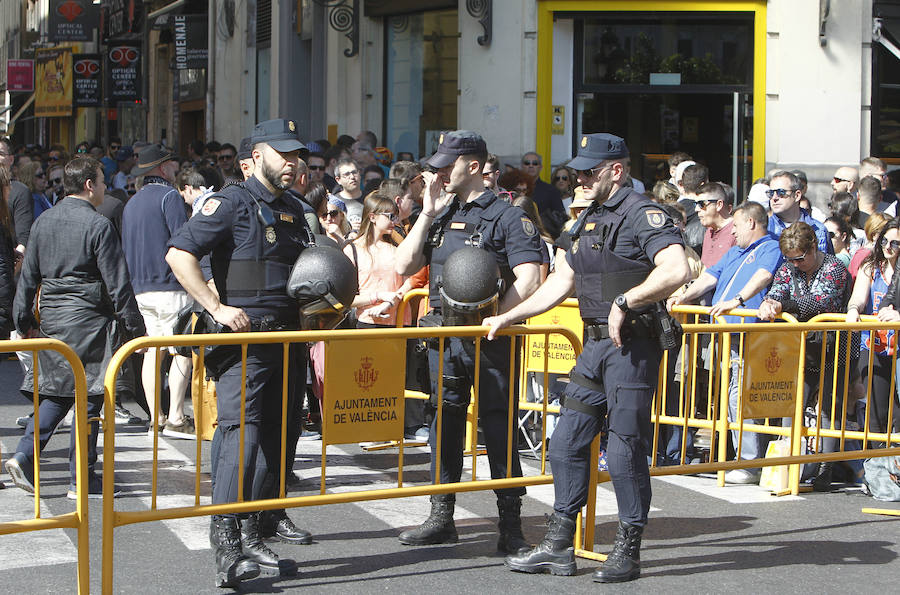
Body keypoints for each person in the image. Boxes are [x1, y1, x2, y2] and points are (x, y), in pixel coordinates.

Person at [485, 133, 690, 583]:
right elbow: (562, 281)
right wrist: (509, 316)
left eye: (588, 170)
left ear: (616, 170)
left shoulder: (641, 212)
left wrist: (627, 301)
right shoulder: (587, 219)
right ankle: (559, 544)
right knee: (565, 443)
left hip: (632, 346)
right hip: (595, 346)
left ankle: (628, 548)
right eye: (577, 170)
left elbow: (678, 268)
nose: (579, 177)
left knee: (624, 449)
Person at [166, 119, 314, 588]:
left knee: (277, 437)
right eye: (284, 154)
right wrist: (216, 306)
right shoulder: (230, 202)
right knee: (240, 439)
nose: (294, 163)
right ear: (257, 156)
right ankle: (226, 542)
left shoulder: (295, 209)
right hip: (245, 344)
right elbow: (179, 254)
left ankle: (253, 532)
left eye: (297, 155)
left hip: (289, 341)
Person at [394, 130, 543, 555]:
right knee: (443, 422)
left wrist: (497, 318)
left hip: (490, 340)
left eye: (447, 164)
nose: (438, 172)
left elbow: (531, 278)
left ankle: (510, 525)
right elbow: (404, 265)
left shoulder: (509, 217)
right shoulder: (439, 213)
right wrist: (425, 214)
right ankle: (442, 516)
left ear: (473, 167)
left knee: (498, 426)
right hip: (444, 337)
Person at [4, 157, 146, 499]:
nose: (102, 187)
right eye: (100, 181)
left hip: (53, 318)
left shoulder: (43, 222)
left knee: (56, 392)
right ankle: (81, 478)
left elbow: (28, 277)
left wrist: (23, 321)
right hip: (91, 322)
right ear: (88, 185)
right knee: (90, 397)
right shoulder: (98, 225)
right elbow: (118, 283)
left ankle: (25, 455)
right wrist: (136, 330)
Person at [668, 202, 784, 482]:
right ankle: (738, 458)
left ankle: (749, 464)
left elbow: (764, 275)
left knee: (741, 397)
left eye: (737, 226)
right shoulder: (735, 252)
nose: (733, 232)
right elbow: (710, 276)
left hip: (750, 334)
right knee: (729, 397)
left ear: (752, 223)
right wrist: (684, 296)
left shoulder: (771, 248)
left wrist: (738, 300)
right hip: (726, 334)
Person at [758, 222, 851, 491]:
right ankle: (790, 464)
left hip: (836, 347)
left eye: (799, 258)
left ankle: (825, 466)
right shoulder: (788, 267)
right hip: (799, 347)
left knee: (829, 407)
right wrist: (770, 302)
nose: (795, 264)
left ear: (813, 248)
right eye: (790, 259)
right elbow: (778, 290)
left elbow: (823, 302)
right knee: (792, 403)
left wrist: (784, 305)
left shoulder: (835, 268)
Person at [121, 144, 195, 438]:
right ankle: (176, 415)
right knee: (181, 352)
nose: (176, 168)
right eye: (172, 164)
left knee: (153, 351)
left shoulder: (132, 203)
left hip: (140, 289)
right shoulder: (169, 197)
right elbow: (182, 242)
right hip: (170, 286)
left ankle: (156, 416)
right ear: (163, 168)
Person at [848, 218, 900, 439]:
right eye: (884, 241)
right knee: (878, 414)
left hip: (898, 349)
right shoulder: (870, 267)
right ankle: (880, 466)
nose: (888, 247)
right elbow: (858, 298)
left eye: (895, 243)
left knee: (897, 412)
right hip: (875, 347)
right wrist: (853, 310)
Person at [344, 192, 411, 327]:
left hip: (399, 321)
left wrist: (391, 301)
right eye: (390, 216)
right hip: (368, 321)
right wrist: (378, 296)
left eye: (396, 217)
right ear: (372, 217)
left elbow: (412, 282)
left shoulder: (398, 247)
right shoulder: (352, 250)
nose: (395, 221)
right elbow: (345, 298)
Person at [767, 171, 833, 254]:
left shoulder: (818, 229)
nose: (774, 198)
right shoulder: (765, 230)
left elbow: (829, 265)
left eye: (781, 192)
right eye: (771, 193)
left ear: (797, 195)